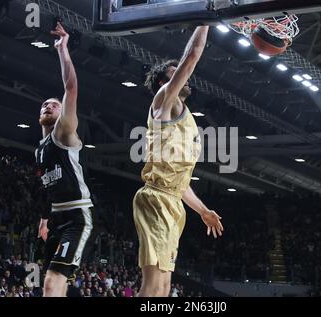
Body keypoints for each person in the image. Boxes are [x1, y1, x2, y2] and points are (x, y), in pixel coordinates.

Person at [133, 25, 224, 297]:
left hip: (173, 201)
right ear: (164, 83)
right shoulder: (163, 100)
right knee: (151, 288)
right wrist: (204, 19)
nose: (184, 77)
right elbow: (193, 55)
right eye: (175, 74)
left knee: (164, 288)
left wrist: (203, 211)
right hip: (156, 198)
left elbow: (181, 183)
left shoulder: (186, 119)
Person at [36, 22, 97, 297]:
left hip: (75, 216)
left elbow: (71, 88)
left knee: (52, 282)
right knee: (51, 285)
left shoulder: (63, 132)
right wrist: (44, 219)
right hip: (56, 216)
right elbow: (45, 187)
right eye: (44, 105)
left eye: (54, 104)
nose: (48, 106)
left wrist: (63, 50)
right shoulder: (40, 149)